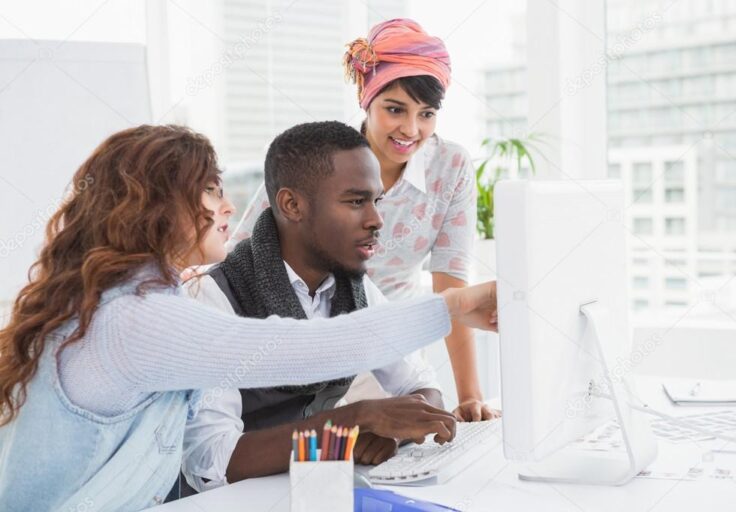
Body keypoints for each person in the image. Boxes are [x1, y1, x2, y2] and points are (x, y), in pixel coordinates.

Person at [0, 125, 497, 511]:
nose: (229, 205)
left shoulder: (138, 300)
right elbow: (303, 349)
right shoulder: (132, 319)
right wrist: (455, 306)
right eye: (212, 191)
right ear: (156, 207)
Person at [231, 19, 497, 421]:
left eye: (426, 114)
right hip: (314, 342)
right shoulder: (322, 162)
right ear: (366, 100)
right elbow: (252, 249)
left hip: (396, 350)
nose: (411, 129)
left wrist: (470, 396)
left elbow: (452, 288)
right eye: (395, 109)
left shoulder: (451, 166)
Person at [181, 121, 450, 492]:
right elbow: (212, 461)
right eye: (356, 202)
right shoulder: (213, 295)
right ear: (292, 205)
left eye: (376, 200)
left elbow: (420, 385)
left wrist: (393, 433)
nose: (376, 220)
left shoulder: (355, 288)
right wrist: (353, 422)